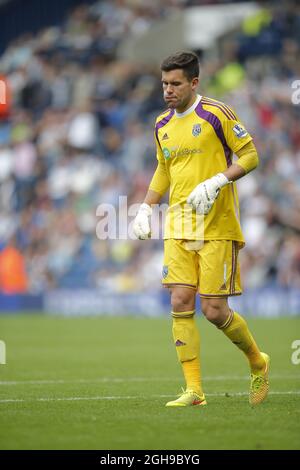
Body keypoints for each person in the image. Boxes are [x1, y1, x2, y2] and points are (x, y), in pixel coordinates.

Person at [133, 51, 270, 407]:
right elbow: (164, 169)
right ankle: (194, 391)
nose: (168, 90)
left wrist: (219, 181)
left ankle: (258, 361)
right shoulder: (161, 124)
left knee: (213, 310)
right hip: (179, 223)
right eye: (164, 84)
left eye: (175, 83)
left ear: (194, 83)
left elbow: (251, 155)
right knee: (179, 300)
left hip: (217, 223)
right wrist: (145, 208)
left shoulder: (216, 114)